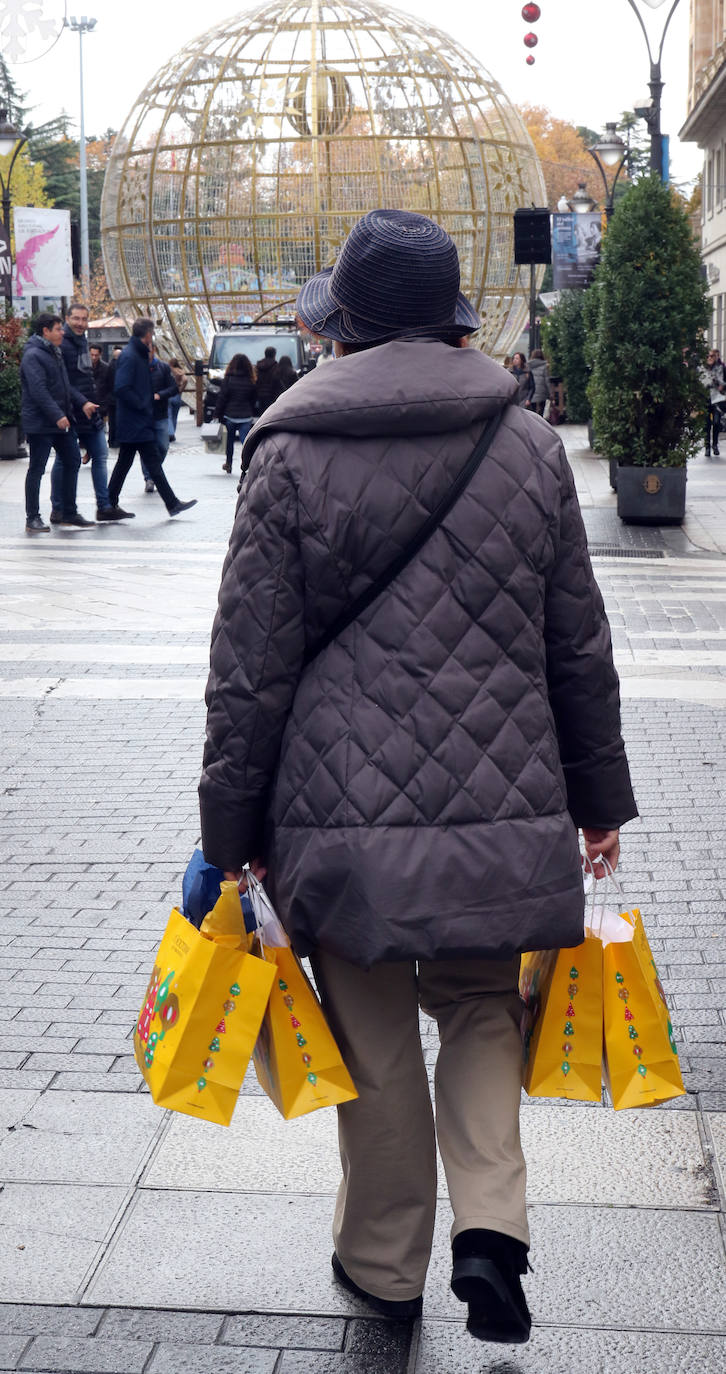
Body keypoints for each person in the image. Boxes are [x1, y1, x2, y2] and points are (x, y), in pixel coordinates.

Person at [198, 209, 637, 1345]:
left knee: (375, 1036)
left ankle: (384, 1264)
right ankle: (491, 1229)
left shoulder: (287, 454)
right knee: (483, 1007)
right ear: (455, 321)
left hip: (335, 815)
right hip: (502, 805)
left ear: (339, 326)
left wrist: (230, 830)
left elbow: (248, 670)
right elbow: (577, 645)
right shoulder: (527, 445)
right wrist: (599, 802)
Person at [107, 318, 197, 518]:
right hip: (135, 421)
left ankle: (108, 504)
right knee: (143, 464)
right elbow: (121, 387)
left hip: (137, 421)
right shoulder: (131, 356)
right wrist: (143, 404)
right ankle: (109, 504)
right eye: (152, 333)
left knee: (133, 463)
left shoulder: (136, 354)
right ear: (148, 334)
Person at [53, 303, 133, 523]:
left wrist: (94, 403)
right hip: (72, 409)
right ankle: (58, 508)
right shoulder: (63, 344)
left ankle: (104, 506)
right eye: (76, 318)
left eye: (84, 319)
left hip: (89, 409)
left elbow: (86, 377)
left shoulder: (82, 341)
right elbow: (64, 382)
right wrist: (83, 402)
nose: (80, 323)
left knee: (100, 454)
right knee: (64, 459)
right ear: (67, 319)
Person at [20, 313, 97, 533]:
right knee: (37, 469)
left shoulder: (54, 352)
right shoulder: (33, 355)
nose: (62, 332)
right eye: (58, 329)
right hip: (41, 423)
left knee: (73, 460)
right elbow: (39, 390)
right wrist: (56, 415)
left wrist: (82, 402)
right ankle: (32, 518)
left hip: (61, 420)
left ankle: (68, 512)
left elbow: (65, 386)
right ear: (46, 331)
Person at [140, 344, 179, 493]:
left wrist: (160, 395)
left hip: (160, 414)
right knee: (146, 448)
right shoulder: (137, 368)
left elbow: (173, 388)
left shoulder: (163, 368)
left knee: (163, 446)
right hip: (144, 415)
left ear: (154, 351)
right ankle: (149, 478)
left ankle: (153, 470)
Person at [214, 353, 257, 475]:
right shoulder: (251, 380)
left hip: (230, 415)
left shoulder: (228, 379)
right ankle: (249, 464)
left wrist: (217, 413)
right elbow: (253, 398)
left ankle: (229, 463)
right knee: (246, 442)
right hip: (246, 415)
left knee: (229, 442)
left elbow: (222, 398)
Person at [702, 347, 726, 457]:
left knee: (716, 422)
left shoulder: (720, 367)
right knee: (706, 424)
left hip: (717, 399)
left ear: (715, 357)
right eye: (707, 356)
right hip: (705, 399)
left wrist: (721, 385)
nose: (709, 358)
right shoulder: (702, 369)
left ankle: (715, 445)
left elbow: (722, 382)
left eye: (712, 356)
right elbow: (702, 383)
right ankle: (707, 447)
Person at [106, 346, 123, 448]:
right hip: (118, 399)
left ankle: (112, 440)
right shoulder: (120, 366)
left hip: (111, 398)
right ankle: (116, 441)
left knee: (112, 421)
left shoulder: (109, 366)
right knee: (118, 421)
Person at [255, 345, 280, 413]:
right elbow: (277, 381)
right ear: (274, 355)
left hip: (259, 394)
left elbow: (255, 379)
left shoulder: (258, 366)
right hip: (272, 395)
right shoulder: (276, 366)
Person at [167, 357, 186, 441]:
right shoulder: (180, 371)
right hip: (177, 395)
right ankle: (173, 433)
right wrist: (181, 389)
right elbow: (185, 380)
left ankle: (170, 433)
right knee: (175, 416)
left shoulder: (169, 370)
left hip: (169, 394)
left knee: (169, 415)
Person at [528, 348, 551, 417]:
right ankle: (540, 420)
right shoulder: (544, 366)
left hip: (532, 391)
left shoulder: (529, 365)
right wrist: (550, 393)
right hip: (542, 391)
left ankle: (533, 421)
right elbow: (547, 380)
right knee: (541, 409)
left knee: (532, 410)